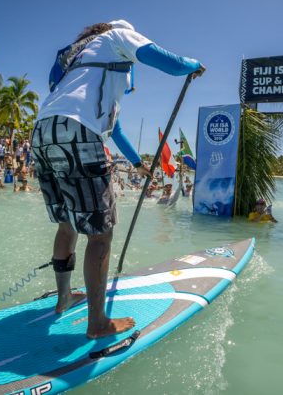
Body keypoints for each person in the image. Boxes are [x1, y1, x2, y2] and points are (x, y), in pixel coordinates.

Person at [31, 19, 205, 339]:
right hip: (78, 131)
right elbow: (168, 62)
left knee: (67, 224)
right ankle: (98, 323)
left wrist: (139, 164)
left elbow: (118, 131)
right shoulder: (116, 36)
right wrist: (192, 66)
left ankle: (64, 298)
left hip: (42, 131)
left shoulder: (77, 58)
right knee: (100, 236)